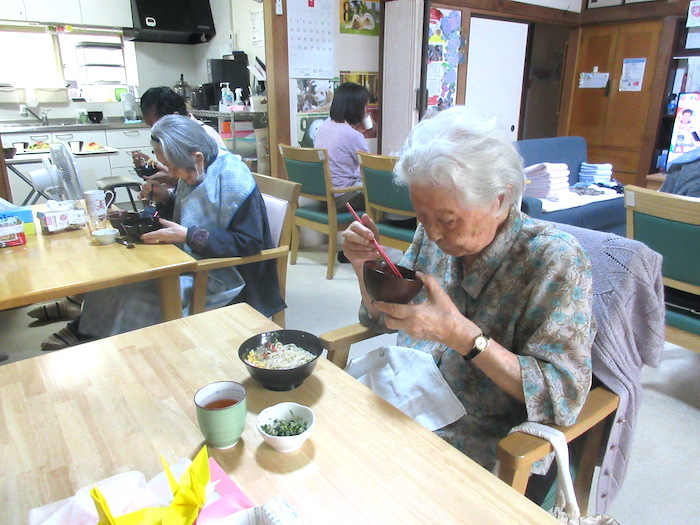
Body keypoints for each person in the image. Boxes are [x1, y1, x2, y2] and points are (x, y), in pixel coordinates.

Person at [341, 106, 595, 472]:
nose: (433, 233)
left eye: (447, 219)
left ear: (500, 199)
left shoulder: (556, 261)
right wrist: (364, 264)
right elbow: (385, 319)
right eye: (422, 217)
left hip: (476, 433)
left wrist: (462, 337)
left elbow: (562, 396)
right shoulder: (433, 234)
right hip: (409, 391)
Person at [42, 115, 284, 349]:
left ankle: (119, 348)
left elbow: (249, 243)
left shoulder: (233, 177)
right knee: (113, 279)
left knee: (132, 298)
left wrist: (188, 236)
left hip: (228, 276)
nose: (169, 172)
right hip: (193, 259)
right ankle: (88, 331)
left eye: (171, 166)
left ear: (196, 157)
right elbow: (193, 209)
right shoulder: (198, 167)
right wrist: (166, 197)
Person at [313, 82, 372, 213]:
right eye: (364, 107)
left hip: (323, 198)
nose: (366, 111)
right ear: (356, 108)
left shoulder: (324, 126)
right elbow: (370, 169)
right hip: (342, 199)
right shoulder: (352, 135)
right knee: (382, 198)